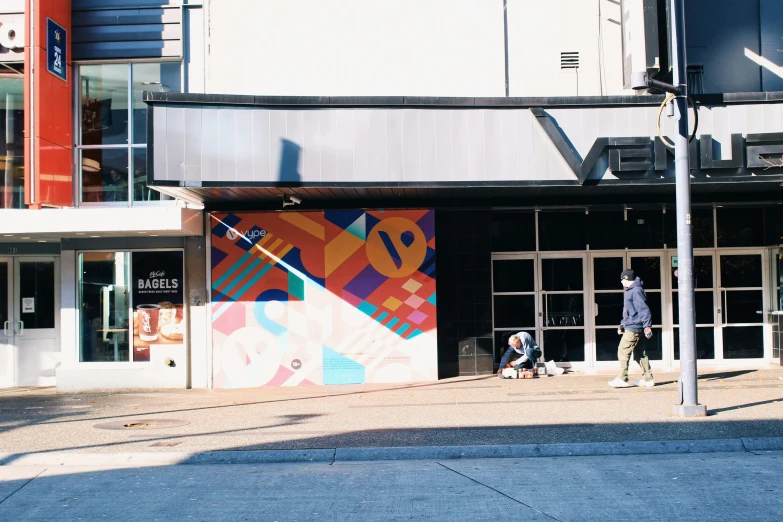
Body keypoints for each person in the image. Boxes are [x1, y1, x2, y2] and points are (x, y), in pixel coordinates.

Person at [608, 269, 655, 388]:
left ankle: (622, 378)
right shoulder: (632, 291)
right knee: (640, 353)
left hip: (634, 327)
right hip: (634, 325)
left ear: (626, 279)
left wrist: (647, 326)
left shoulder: (636, 291)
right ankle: (648, 378)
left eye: (622, 279)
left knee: (623, 350)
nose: (621, 281)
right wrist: (622, 325)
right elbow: (629, 312)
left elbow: (643, 309)